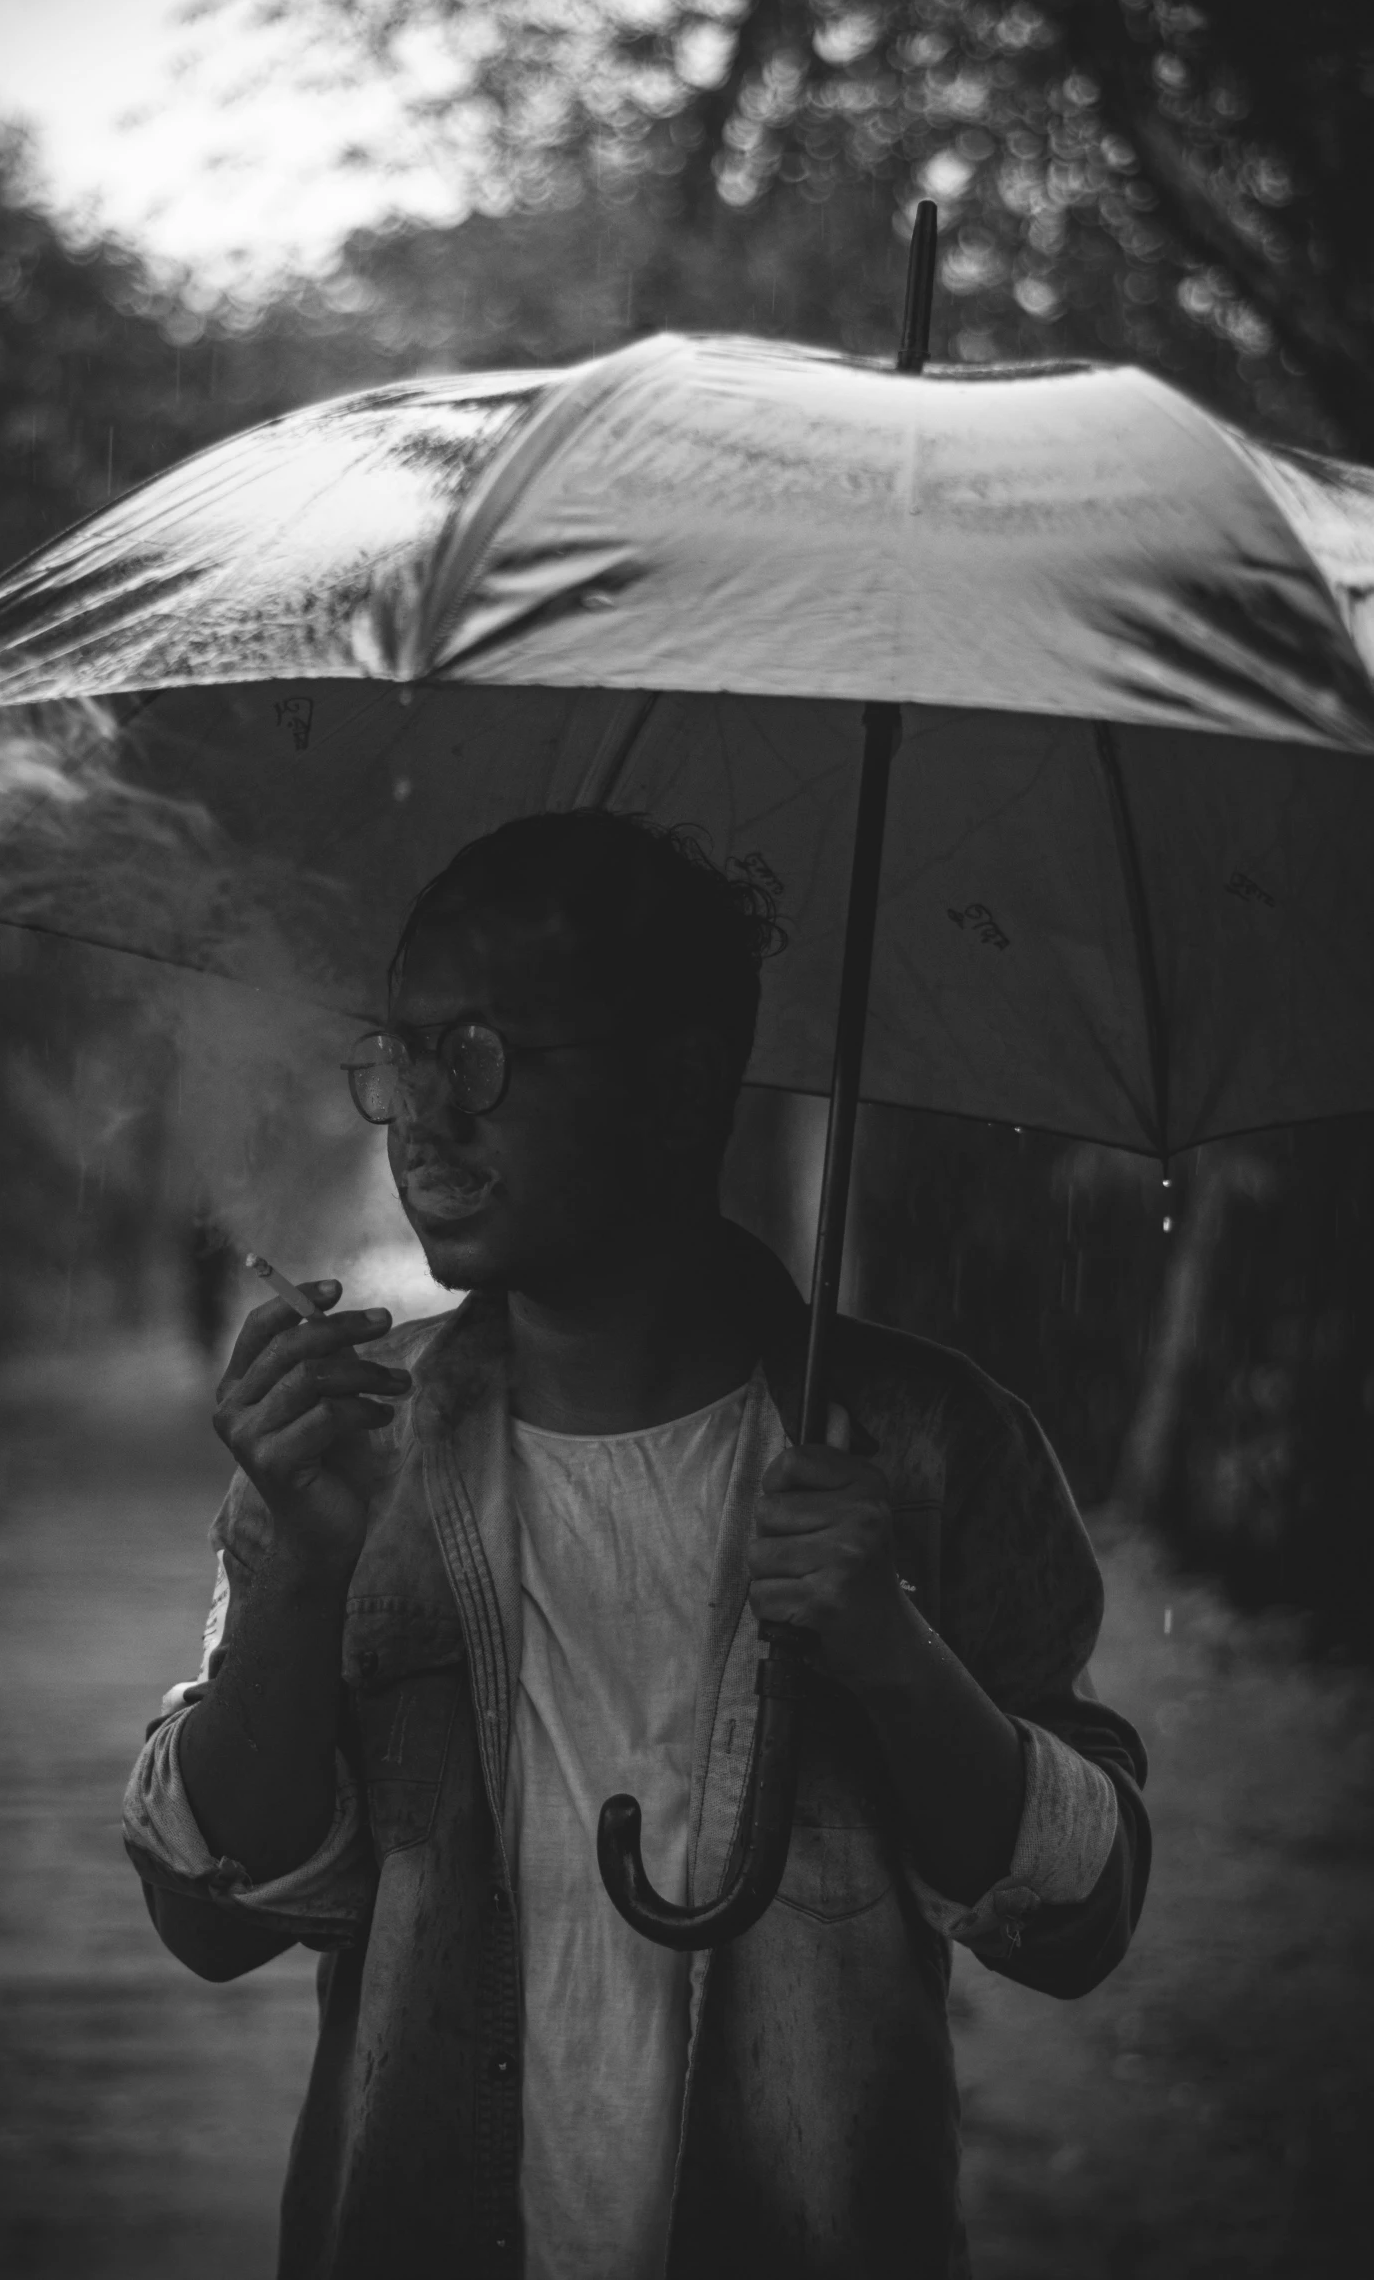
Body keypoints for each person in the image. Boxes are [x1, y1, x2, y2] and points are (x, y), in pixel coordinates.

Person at [124, 810, 1149, 2280]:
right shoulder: (353, 1445)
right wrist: (298, 1574)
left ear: (678, 1089)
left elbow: (1081, 1914)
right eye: (399, 1056)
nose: (421, 1115)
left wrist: (891, 1650)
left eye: (476, 1052)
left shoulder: (924, 1443)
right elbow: (207, 1915)